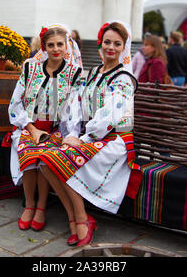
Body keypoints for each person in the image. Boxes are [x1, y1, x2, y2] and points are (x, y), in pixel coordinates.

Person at [37, 21, 141, 247]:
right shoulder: (94, 72)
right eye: (107, 42)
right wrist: (72, 132)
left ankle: (82, 219)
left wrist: (81, 139)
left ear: (124, 47)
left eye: (117, 43)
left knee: (62, 159)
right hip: (92, 137)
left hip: (114, 140)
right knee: (45, 162)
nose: (110, 47)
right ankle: (75, 217)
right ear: (100, 44)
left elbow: (109, 116)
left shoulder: (124, 78)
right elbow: (77, 104)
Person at [0, 24, 83, 233]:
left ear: (67, 45)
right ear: (43, 46)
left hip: (54, 130)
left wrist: (71, 134)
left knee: (45, 155)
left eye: (60, 44)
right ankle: (30, 205)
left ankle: (41, 207)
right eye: (50, 45)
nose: (55, 49)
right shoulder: (30, 68)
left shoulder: (74, 73)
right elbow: (15, 103)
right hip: (27, 126)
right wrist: (31, 129)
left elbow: (73, 109)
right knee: (28, 151)